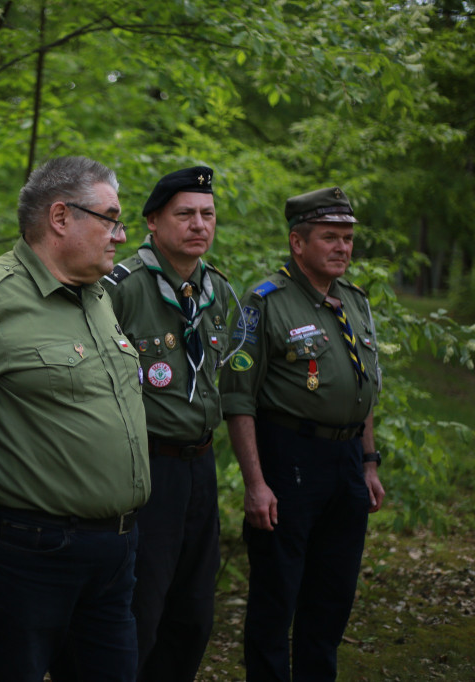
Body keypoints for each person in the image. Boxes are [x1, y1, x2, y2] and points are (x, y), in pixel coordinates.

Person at [0, 156, 150, 682]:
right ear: (60, 217)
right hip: (27, 553)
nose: (120, 235)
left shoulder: (98, 295)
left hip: (115, 551)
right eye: (110, 218)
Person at [219, 186, 387, 681]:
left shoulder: (354, 301)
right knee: (277, 596)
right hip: (289, 458)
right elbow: (238, 398)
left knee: (332, 596)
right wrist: (255, 483)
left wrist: (369, 461)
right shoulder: (265, 302)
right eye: (330, 237)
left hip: (347, 463)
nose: (342, 248)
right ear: (298, 243)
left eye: (348, 238)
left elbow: (364, 385)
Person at [102, 166, 234, 680]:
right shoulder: (121, 288)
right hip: (146, 469)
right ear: (153, 221)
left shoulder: (216, 290)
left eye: (207, 214)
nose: (199, 225)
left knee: (194, 613)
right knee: (142, 610)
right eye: (185, 214)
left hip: (201, 466)